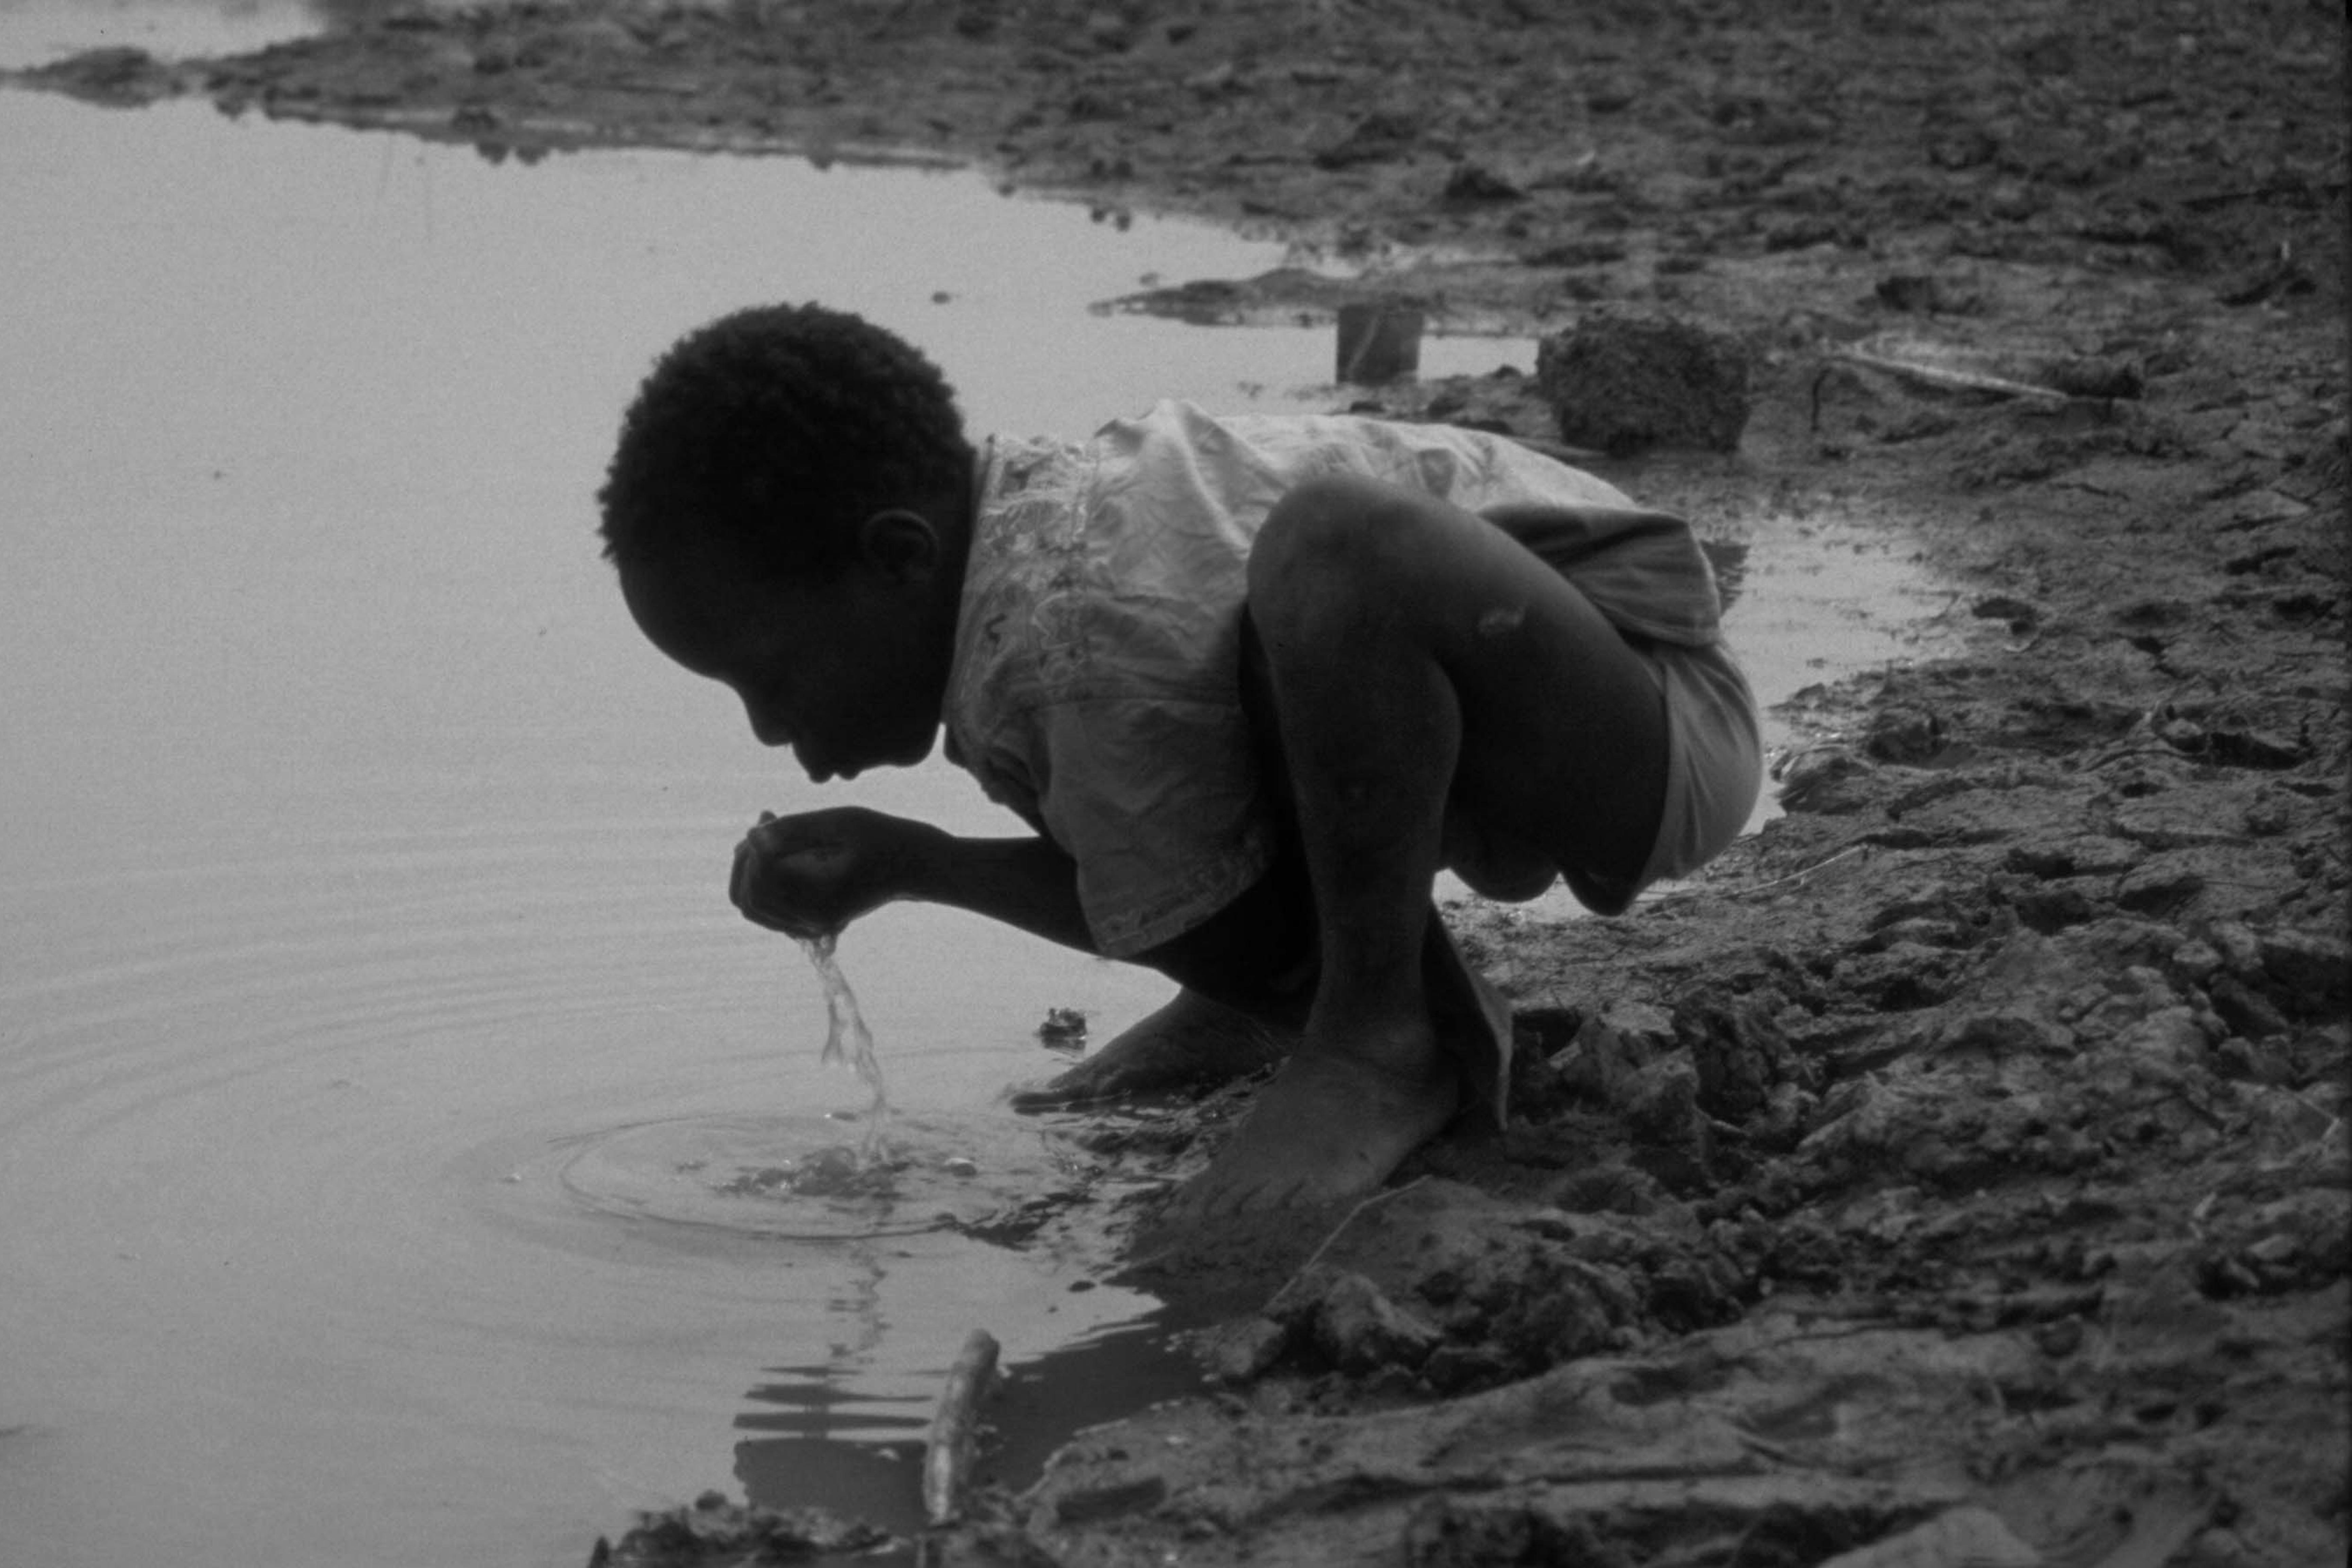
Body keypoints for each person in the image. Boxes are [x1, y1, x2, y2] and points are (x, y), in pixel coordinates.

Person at [597, 303, 1759, 1217]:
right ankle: (1310, 1016)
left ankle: (1383, 1036)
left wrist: (1263, 972)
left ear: (897, 558)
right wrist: (919, 862)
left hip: (1649, 724)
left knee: (1330, 555)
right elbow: (1170, 879)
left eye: (774, 676)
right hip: (1549, 688)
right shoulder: (1006, 585)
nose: (770, 732)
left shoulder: (1066, 632)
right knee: (1148, 751)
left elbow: (1235, 927)